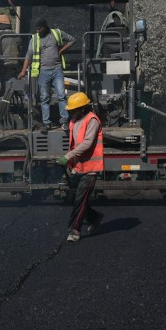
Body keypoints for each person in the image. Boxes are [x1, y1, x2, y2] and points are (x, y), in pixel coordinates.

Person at [58, 92, 104, 243]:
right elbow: (74, 143)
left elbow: (87, 143)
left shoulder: (92, 120)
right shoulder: (74, 121)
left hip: (91, 168)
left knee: (80, 200)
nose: (71, 112)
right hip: (78, 167)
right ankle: (94, 217)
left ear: (83, 108)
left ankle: (74, 231)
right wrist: (71, 161)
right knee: (75, 198)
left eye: (74, 109)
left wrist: (68, 156)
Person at [18, 18, 75, 131]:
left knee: (61, 96)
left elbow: (73, 40)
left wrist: (61, 50)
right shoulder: (34, 39)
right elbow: (28, 55)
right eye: (36, 29)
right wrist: (23, 70)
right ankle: (47, 123)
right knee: (44, 98)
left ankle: (64, 122)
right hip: (43, 71)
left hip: (57, 69)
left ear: (45, 26)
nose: (37, 31)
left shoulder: (56, 33)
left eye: (39, 28)